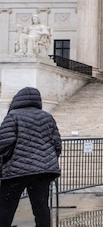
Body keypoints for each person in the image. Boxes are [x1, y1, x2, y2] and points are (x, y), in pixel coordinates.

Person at [0, 87, 62, 227]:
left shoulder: (13, 116)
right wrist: (48, 159)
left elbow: (4, 143)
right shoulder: (47, 117)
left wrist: (7, 159)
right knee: (41, 209)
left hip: (16, 171)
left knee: (6, 209)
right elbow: (57, 143)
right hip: (43, 171)